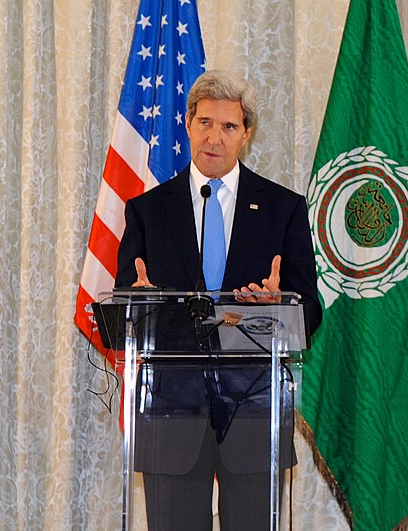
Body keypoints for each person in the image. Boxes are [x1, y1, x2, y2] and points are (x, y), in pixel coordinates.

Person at [115, 70, 322, 530]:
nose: (214, 137)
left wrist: (280, 304)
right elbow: (125, 308)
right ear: (187, 124)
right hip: (171, 408)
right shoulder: (147, 211)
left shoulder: (283, 208)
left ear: (246, 134)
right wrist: (141, 303)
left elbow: (310, 312)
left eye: (229, 126)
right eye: (205, 122)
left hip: (253, 407)